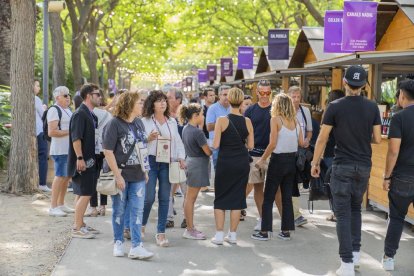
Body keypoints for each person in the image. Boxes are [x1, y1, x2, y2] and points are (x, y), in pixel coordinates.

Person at [311, 65, 381, 276]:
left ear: (345, 83)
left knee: (342, 214)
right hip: (364, 165)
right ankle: (356, 255)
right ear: (364, 85)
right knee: (355, 209)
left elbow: (322, 138)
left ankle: (347, 263)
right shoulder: (372, 107)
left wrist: (315, 163)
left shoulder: (334, 106)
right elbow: (377, 139)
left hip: (342, 165)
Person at [103, 92, 154, 260]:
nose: (142, 105)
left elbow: (141, 147)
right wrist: (118, 176)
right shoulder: (114, 124)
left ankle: (136, 246)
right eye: (139, 103)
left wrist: (145, 170)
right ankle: (118, 242)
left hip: (138, 174)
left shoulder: (139, 123)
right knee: (119, 209)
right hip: (121, 174)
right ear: (129, 104)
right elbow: (108, 151)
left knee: (137, 210)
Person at [251, 93, 303, 241]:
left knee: (268, 196)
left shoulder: (275, 120)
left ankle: (265, 231)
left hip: (277, 161)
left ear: (277, 105)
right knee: (286, 197)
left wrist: (262, 160)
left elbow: (272, 143)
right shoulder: (296, 121)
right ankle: (286, 231)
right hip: (291, 162)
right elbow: (301, 142)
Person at [141, 91, 186, 247]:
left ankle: (161, 233)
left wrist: (181, 157)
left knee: (165, 197)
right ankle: (141, 225)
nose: (162, 103)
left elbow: (178, 142)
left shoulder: (172, 122)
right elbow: (138, 143)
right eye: (158, 101)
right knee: (148, 198)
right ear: (152, 104)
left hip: (167, 161)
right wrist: (148, 139)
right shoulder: (145, 121)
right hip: (151, 161)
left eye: (164, 101)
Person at [211, 87, 254, 245]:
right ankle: (233, 235)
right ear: (242, 102)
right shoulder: (247, 121)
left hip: (225, 162)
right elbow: (251, 145)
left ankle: (219, 235)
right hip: (241, 162)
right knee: (237, 198)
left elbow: (215, 145)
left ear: (228, 100)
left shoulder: (222, 120)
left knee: (221, 197)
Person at [382, 79, 414, 271]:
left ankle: (389, 258)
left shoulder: (399, 118)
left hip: (403, 176)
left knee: (396, 218)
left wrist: (387, 177)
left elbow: (393, 151)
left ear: (402, 95)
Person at [67, 83, 102, 239]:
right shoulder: (80, 114)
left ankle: (80, 223)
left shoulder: (90, 114)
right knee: (86, 193)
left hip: (91, 159)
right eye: (98, 94)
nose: (100, 97)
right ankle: (76, 227)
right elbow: (76, 138)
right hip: (84, 160)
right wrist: (80, 158)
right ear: (89, 96)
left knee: (82, 193)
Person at [244, 79, 276, 230]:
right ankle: (263, 218)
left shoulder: (276, 110)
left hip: (273, 153)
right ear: (257, 92)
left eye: (268, 93)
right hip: (255, 154)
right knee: (257, 187)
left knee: (276, 190)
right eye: (262, 92)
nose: (265, 95)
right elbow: (245, 133)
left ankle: (284, 221)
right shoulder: (250, 111)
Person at [179, 104, 212, 240]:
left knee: (189, 198)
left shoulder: (186, 129)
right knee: (190, 199)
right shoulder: (198, 132)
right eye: (202, 114)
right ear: (195, 116)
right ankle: (190, 229)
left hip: (191, 162)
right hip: (197, 165)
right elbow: (208, 151)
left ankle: (190, 227)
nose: (203, 116)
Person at [47, 86, 74, 217]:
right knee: (60, 176)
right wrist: (71, 132)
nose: (68, 97)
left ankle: (61, 203)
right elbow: (51, 131)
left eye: (69, 95)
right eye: (65, 95)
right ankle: (53, 206)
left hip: (68, 149)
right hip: (60, 149)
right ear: (57, 97)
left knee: (66, 177)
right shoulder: (54, 110)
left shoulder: (68, 110)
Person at [288, 86, 312, 227]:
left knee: (295, 182)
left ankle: (295, 214)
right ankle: (293, 213)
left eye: (298, 97)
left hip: (300, 151)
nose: (296, 100)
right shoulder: (283, 111)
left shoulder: (305, 111)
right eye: (293, 97)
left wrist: (307, 140)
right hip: (287, 150)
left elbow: (309, 130)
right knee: (289, 182)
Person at [85, 89, 112, 217]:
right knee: (104, 177)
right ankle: (103, 206)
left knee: (93, 178)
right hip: (105, 149)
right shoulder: (108, 115)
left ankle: (93, 207)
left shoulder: (89, 112)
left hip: (93, 149)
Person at [323, 89, 345, 222]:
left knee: (332, 184)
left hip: (330, 153)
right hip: (345, 153)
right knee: (341, 184)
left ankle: (336, 212)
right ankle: (339, 212)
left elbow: (324, 137)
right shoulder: (347, 113)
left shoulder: (330, 112)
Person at [166, 88, 187, 228]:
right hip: (169, 157)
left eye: (170, 97)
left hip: (185, 157)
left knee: (187, 190)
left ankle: (187, 217)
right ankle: (168, 217)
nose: (166, 99)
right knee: (167, 189)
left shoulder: (186, 115)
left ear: (178, 100)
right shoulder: (164, 116)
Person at [206, 85, 231, 168]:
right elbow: (209, 127)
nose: (227, 97)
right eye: (224, 95)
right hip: (217, 144)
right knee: (218, 170)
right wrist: (224, 123)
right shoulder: (212, 108)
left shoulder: (233, 107)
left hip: (230, 143)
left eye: (229, 94)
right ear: (219, 95)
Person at [34, 80, 50, 192]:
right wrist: (44, 108)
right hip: (39, 131)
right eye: (37, 85)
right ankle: (42, 183)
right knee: (43, 156)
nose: (39, 88)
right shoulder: (36, 99)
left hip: (33, 132)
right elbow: (43, 114)